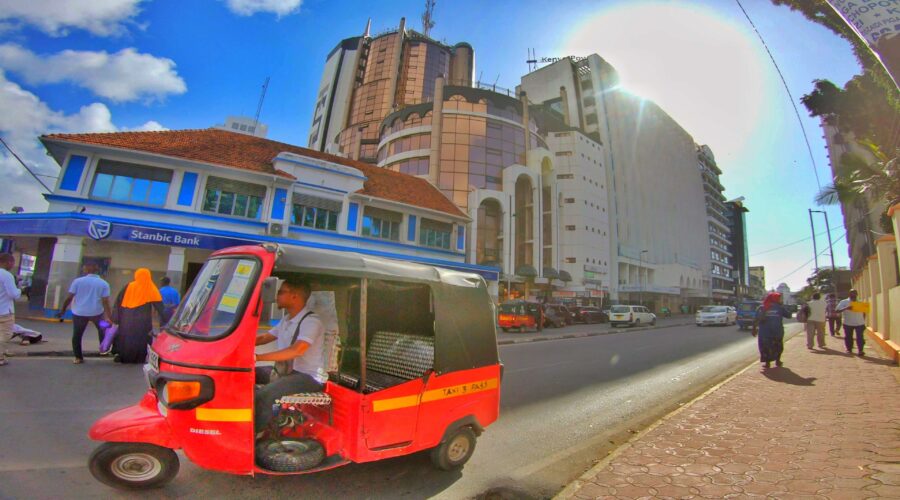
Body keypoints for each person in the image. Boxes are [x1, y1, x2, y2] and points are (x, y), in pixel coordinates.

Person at [254, 279, 325, 436]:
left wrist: (258, 357)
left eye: (280, 292)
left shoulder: (312, 322)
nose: (276, 297)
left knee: (264, 395)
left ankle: (255, 436)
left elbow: (297, 350)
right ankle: (267, 418)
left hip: (308, 377)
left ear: (294, 296)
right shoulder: (287, 319)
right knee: (246, 375)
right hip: (287, 371)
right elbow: (264, 338)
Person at [57, 262, 112, 364]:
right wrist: (109, 317)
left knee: (77, 334)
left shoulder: (77, 281)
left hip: (79, 313)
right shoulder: (104, 283)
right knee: (103, 328)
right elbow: (105, 302)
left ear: (86, 270)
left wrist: (63, 310)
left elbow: (69, 298)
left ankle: (78, 357)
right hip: (96, 313)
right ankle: (103, 350)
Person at [112, 268, 165, 364]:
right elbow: (160, 307)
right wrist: (167, 321)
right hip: (142, 320)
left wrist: (115, 318)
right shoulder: (151, 287)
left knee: (126, 337)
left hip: (126, 318)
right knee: (141, 338)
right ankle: (139, 358)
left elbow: (118, 302)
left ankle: (124, 357)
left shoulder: (128, 286)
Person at [752, 291, 791, 372]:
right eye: (779, 298)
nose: (780, 299)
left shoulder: (761, 307)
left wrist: (754, 329)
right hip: (777, 332)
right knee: (778, 346)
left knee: (765, 347)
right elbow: (789, 316)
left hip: (764, 333)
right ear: (776, 299)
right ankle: (778, 361)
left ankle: (767, 363)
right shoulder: (780, 308)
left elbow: (755, 320)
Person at [0, 253, 22, 366]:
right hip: (4, 311)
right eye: (13, 263)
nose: (13, 265)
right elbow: (13, 294)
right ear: (8, 262)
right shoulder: (7, 275)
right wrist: (20, 290)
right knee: (5, 335)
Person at [836, 289, 866, 356]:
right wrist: (846, 308)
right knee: (848, 337)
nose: (853, 295)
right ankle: (849, 349)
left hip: (859, 323)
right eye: (852, 294)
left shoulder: (861, 302)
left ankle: (860, 350)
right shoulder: (844, 302)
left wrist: (863, 321)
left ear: (857, 294)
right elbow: (837, 311)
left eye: (855, 294)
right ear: (849, 294)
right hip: (848, 323)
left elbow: (864, 312)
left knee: (860, 337)